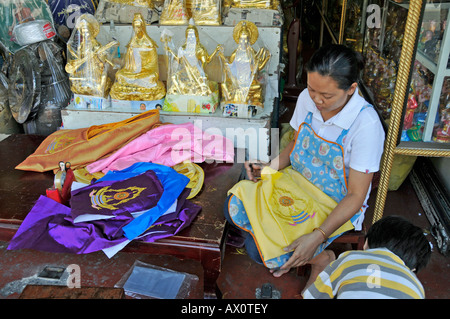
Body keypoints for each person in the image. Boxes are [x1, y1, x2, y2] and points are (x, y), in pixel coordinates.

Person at [224, 44, 385, 288]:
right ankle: (279, 240)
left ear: (351, 89)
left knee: (259, 253)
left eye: (327, 96)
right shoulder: (306, 99)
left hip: (333, 201)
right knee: (231, 204)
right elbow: (296, 146)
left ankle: (321, 259)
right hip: (295, 180)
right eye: (312, 90)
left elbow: (355, 196)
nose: (317, 100)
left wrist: (318, 235)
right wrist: (268, 168)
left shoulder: (366, 125)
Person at [303, 216, 432, 299]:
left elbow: (314, 295)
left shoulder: (350, 259)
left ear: (365, 243)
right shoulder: (417, 287)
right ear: (413, 269)